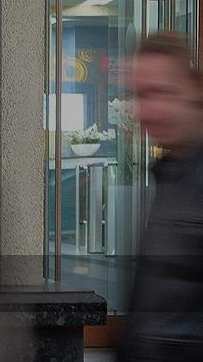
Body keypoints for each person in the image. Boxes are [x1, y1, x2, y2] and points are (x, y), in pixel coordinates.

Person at [119, 31, 203, 361]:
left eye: (161, 93)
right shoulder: (170, 172)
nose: (149, 111)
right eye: (140, 96)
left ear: (194, 89)